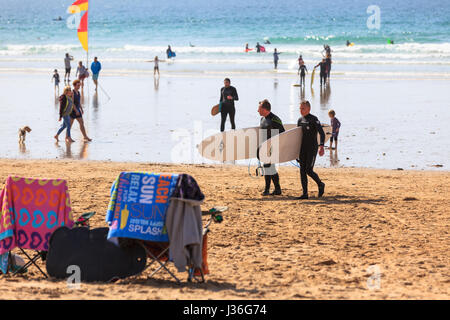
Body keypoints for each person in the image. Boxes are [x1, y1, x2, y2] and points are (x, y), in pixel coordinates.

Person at [296, 100, 325, 199]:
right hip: (302, 149)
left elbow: (322, 133)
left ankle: (320, 184)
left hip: (312, 148)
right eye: (300, 108)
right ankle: (305, 194)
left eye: (303, 108)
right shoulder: (300, 120)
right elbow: (297, 137)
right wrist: (295, 153)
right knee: (302, 171)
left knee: (308, 170)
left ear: (308, 108)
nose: (301, 110)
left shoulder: (314, 119)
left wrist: (321, 146)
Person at [258, 99, 285, 196]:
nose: (258, 110)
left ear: (265, 109)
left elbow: (283, 133)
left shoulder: (274, 119)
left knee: (268, 167)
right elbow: (262, 134)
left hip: (273, 147)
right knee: (269, 167)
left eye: (259, 108)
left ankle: (267, 189)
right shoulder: (262, 119)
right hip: (265, 147)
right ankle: (277, 189)